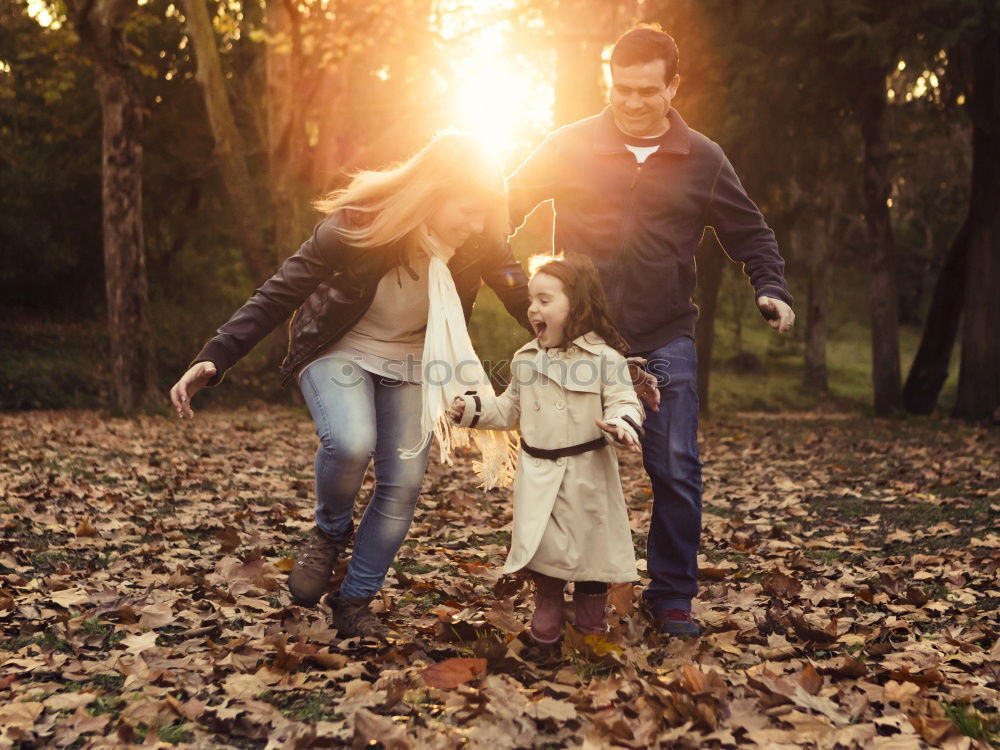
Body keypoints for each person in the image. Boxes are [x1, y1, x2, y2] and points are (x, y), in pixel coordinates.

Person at [169, 133, 532, 638]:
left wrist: (597, 351)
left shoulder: (480, 238)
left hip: (412, 359)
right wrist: (216, 355)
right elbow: (279, 292)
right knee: (351, 441)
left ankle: (354, 602)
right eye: (467, 211)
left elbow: (527, 300)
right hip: (340, 347)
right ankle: (330, 531)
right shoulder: (358, 225)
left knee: (402, 484)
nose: (476, 225)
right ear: (433, 192)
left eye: (484, 215)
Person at [506, 25, 795, 637]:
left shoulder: (703, 158)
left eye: (646, 91)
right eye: (621, 90)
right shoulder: (570, 145)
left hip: (665, 336)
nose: (633, 103)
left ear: (672, 86)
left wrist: (770, 286)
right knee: (564, 467)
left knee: (675, 466)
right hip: (583, 342)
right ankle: (565, 595)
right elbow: (501, 205)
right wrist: (498, 277)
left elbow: (750, 234)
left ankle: (670, 598)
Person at [448, 254, 643, 645]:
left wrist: (622, 425)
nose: (533, 308)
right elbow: (509, 409)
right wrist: (472, 409)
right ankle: (547, 622)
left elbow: (625, 401)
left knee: (593, 554)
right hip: (539, 475)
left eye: (545, 300)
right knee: (546, 552)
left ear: (577, 303)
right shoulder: (527, 358)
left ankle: (590, 630)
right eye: (532, 301)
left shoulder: (606, 359)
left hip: (588, 473)